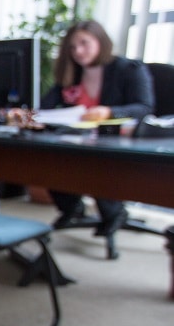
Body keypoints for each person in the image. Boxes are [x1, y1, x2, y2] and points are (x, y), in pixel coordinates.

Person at [41, 20, 155, 235]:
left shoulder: (128, 70)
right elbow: (45, 107)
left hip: (117, 142)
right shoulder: (72, 74)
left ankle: (114, 213)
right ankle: (72, 207)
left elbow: (144, 107)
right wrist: (29, 115)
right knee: (47, 159)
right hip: (77, 140)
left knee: (99, 165)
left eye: (84, 43)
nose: (78, 51)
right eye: (73, 47)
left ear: (100, 41)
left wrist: (109, 112)